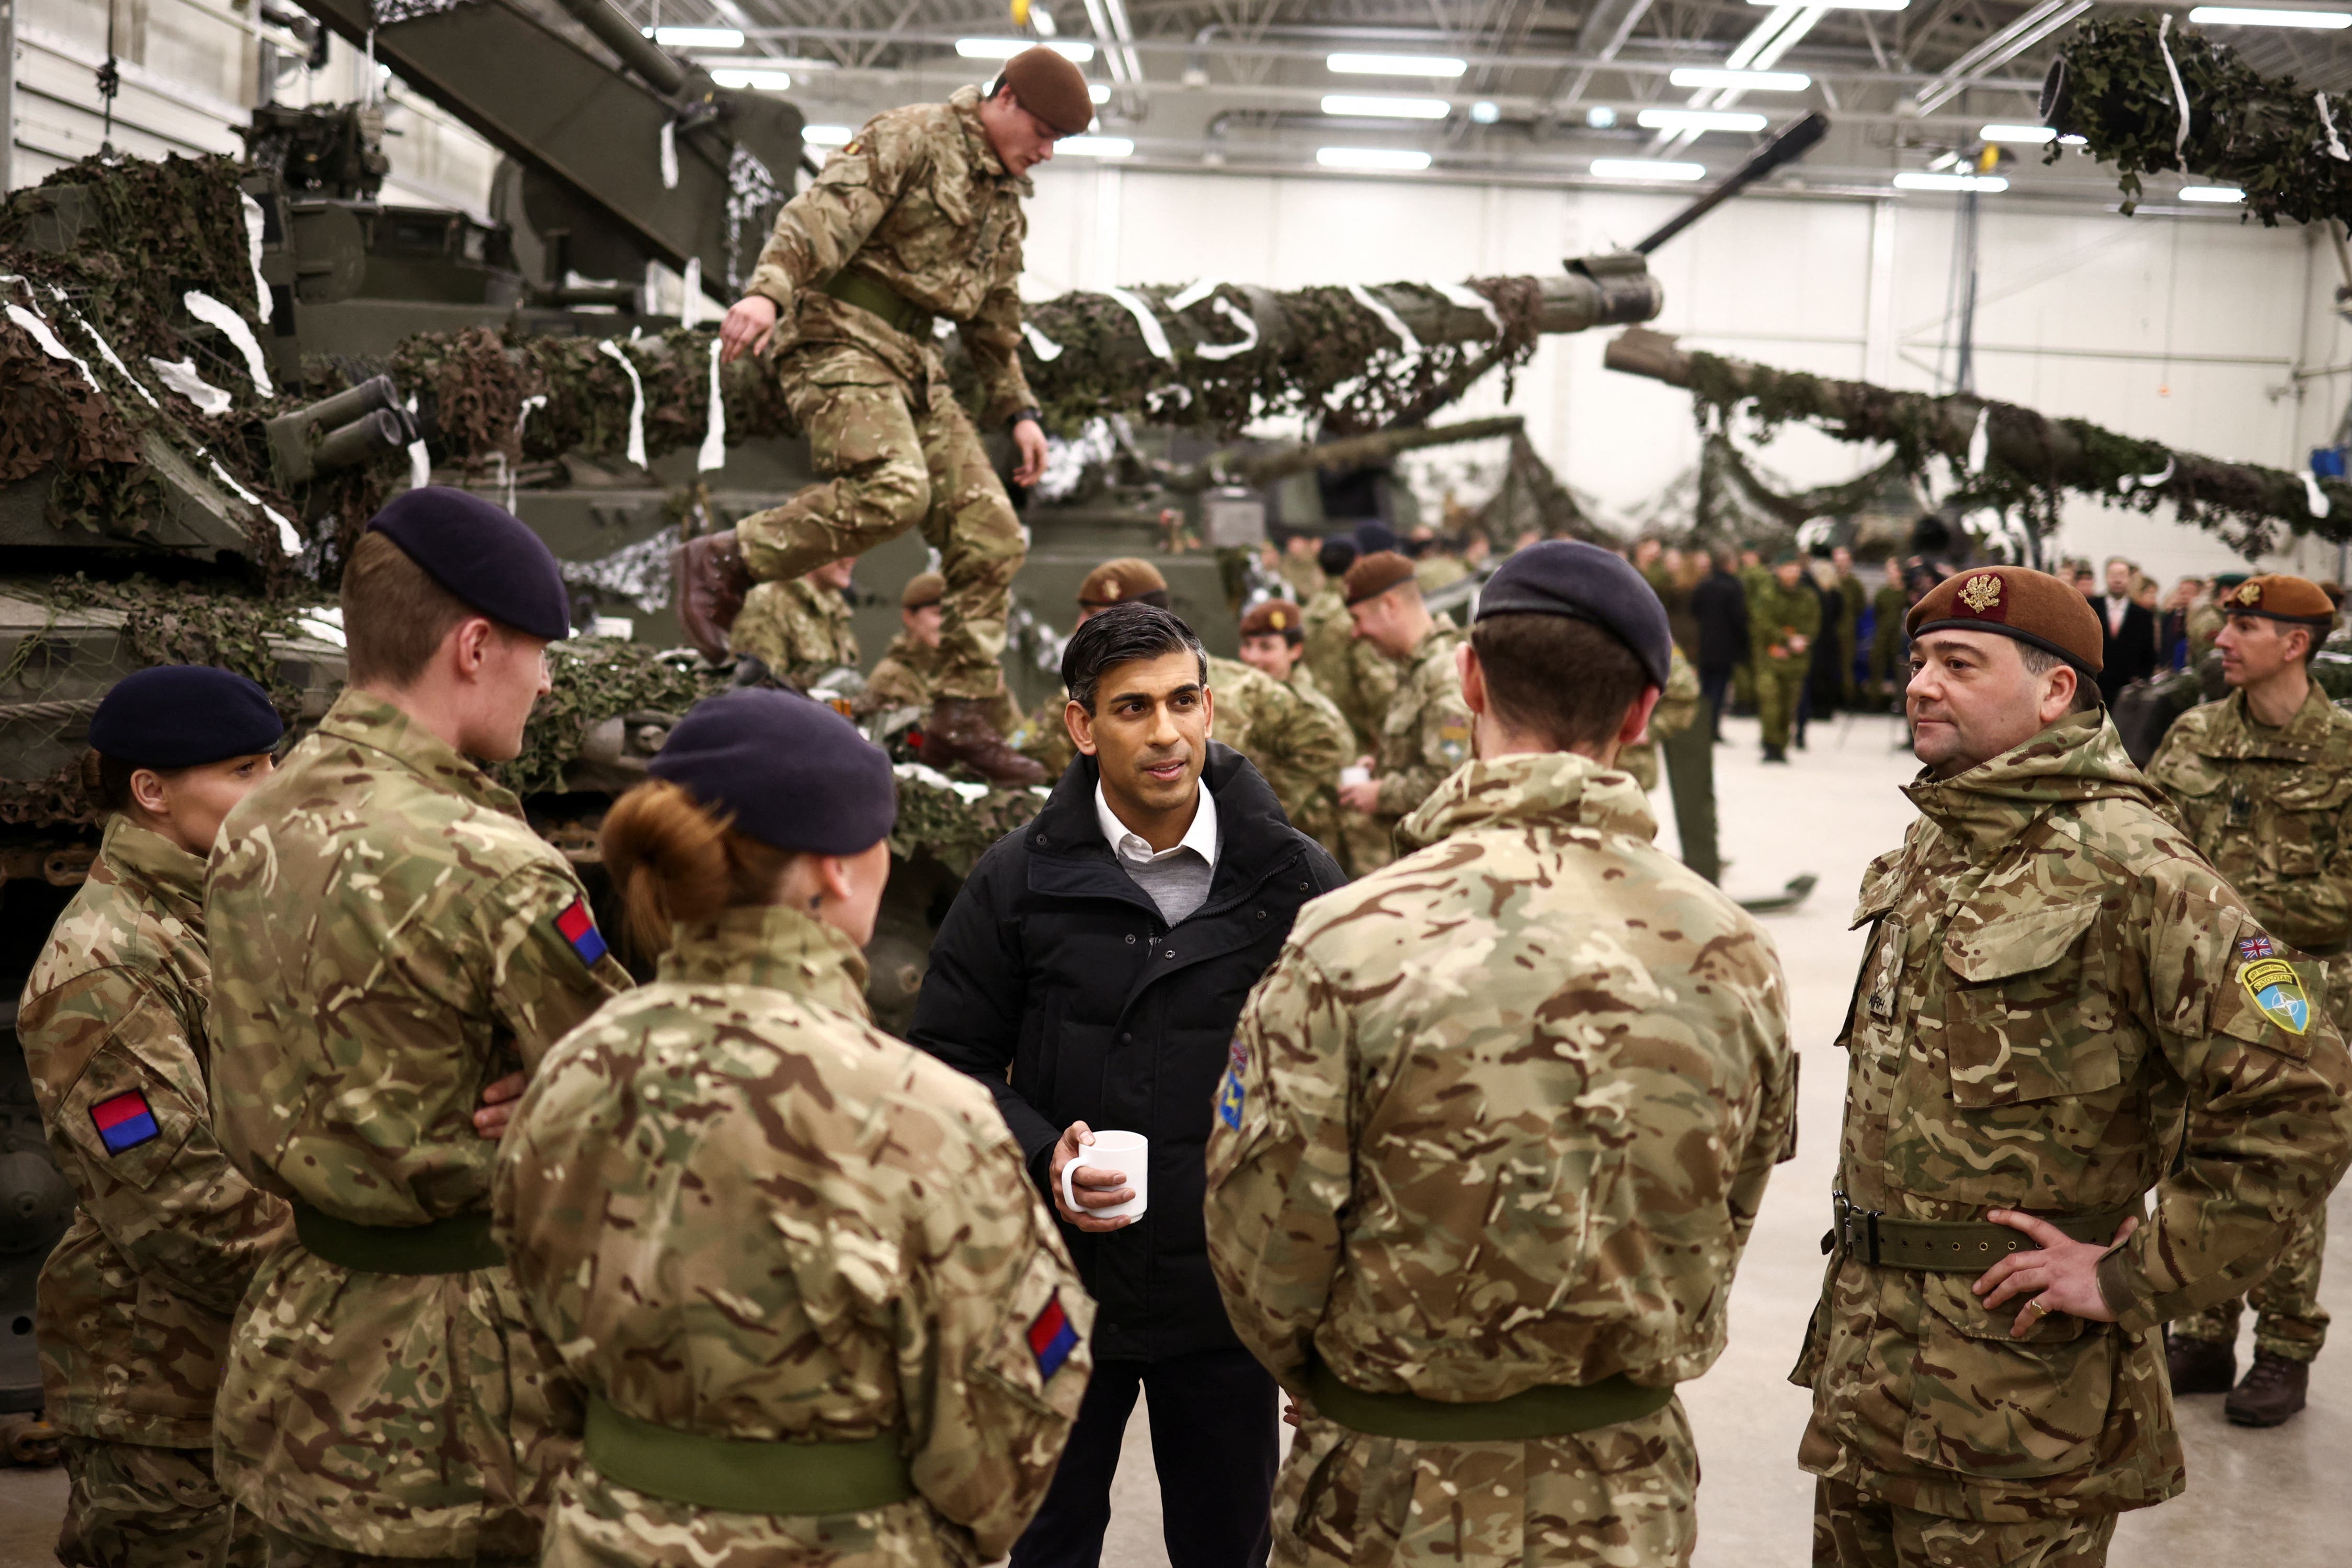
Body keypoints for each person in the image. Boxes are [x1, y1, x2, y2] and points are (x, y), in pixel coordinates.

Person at [1205, 541, 1796, 1568]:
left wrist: (1325, 1370)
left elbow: (1263, 1227)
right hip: (1622, 1492)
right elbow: (1726, 1207)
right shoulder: (1731, 950)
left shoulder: (1347, 934)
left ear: (1469, 676)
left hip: (1383, 1493)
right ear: (1643, 711)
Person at [1795, 564, 2352, 1567]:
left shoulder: (2134, 864)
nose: (1920, 683)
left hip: (2013, 1403)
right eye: (1919, 660)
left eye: (1959, 664)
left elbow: (2302, 1095)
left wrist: (2138, 1275)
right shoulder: (1937, 843)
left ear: (2054, 692)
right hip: (1869, 1376)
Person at [494, 689, 1091, 1568]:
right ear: (837, 870)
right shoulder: (928, 1114)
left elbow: (528, 1356)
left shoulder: (571, 1074)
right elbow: (1004, 1442)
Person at [207, 488, 634, 1568]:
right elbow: (628, 1094)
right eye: (538, 652)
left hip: (294, 1338)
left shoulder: (257, 817)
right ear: (476, 643)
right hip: (460, 1385)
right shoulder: (491, 861)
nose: (545, 680)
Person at [910, 603, 1344, 1568]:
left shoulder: (1293, 878)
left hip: (1227, 1300)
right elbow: (945, 1059)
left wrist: (1320, 1310)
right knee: (1048, 1543)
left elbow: (1345, 1100)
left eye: (1183, 701)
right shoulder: (1018, 879)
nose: (1165, 733)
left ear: (1210, 706)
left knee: (1225, 1546)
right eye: (1132, 707)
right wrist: (1040, 1149)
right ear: (1079, 725)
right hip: (1064, 1295)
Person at [676, 46, 1099, 787]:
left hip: (912, 362)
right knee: (894, 489)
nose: (1047, 151)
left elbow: (994, 322)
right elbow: (821, 215)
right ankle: (727, 558)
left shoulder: (1005, 200)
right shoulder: (914, 136)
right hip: (836, 335)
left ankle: (961, 715)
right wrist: (766, 293)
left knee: (994, 535)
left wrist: (1021, 412)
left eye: (1058, 141)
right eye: (1043, 131)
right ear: (1004, 99)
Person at [18, 667, 291, 1568]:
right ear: (152, 791)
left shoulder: (225, 911)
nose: (272, 787)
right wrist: (341, 1288)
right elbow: (177, 1199)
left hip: (242, 1362)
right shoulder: (106, 962)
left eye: (273, 760)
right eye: (244, 768)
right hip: (162, 1385)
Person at [2144, 574, 2352, 1427]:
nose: (2222, 637)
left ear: (2294, 644)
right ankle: (2199, 1329)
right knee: (2189, 1149)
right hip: (2193, 990)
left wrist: (2226, 909)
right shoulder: (2192, 735)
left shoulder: (2341, 749)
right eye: (2225, 620)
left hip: (2302, 998)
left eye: (2245, 625)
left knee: (2283, 1172)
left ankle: (2283, 1346)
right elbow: (2149, 848)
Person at [1335, 552, 1474, 862]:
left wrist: (1380, 794)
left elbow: (1449, 779)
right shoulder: (1416, 669)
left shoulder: (1445, 675)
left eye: (1358, 619)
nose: (1356, 633)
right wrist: (1383, 765)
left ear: (1389, 606)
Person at [1237, 598, 1354, 872]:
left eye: (1266, 647)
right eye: (1247, 645)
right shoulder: (1248, 700)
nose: (1252, 658)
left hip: (1305, 860)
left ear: (1296, 651)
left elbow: (1279, 803)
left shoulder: (1312, 714)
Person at [1299, 535, 1399, 756]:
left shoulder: (1304, 616)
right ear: (1357, 562)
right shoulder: (1356, 619)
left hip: (1312, 732)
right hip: (1358, 743)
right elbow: (1379, 688)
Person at [730, 556, 860, 693]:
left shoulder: (835, 607)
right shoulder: (769, 601)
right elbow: (756, 692)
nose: (851, 559)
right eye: (844, 550)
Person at [1749, 551, 1819, 763]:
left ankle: (1781, 746)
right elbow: (1762, 623)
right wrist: (1785, 641)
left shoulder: (1808, 597)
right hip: (1769, 658)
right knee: (1770, 702)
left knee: (1789, 705)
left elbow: (1813, 625)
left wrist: (1797, 643)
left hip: (1796, 661)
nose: (1792, 573)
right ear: (1779, 571)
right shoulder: (1767, 594)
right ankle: (1770, 745)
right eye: (1788, 568)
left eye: (1795, 568)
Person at [864, 570, 947, 712]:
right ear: (909, 617)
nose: (947, 622)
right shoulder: (893, 679)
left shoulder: (952, 671)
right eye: (938, 613)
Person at [1690, 549, 1748, 741]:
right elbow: (1739, 619)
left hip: (1706, 644)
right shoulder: (1734, 587)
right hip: (1726, 647)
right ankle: (1713, 729)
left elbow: (1694, 611)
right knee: (1719, 690)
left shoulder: (1704, 585)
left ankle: (1702, 728)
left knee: (1705, 690)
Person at [2093, 555, 2159, 704]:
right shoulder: (2091, 607)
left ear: (2130, 579)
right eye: (2113, 575)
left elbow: (2149, 653)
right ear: (2106, 577)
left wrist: (2141, 678)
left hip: (2129, 691)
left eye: (2122, 575)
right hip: (2096, 686)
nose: (2117, 580)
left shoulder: (2143, 615)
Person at [1866, 556, 1908, 711]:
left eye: (1894, 570)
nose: (1892, 574)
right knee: (1876, 663)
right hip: (1883, 633)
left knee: (1901, 669)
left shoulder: (1906, 593)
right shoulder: (1883, 593)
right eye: (1889, 570)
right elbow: (1877, 612)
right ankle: (1874, 701)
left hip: (1900, 635)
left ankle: (1901, 703)